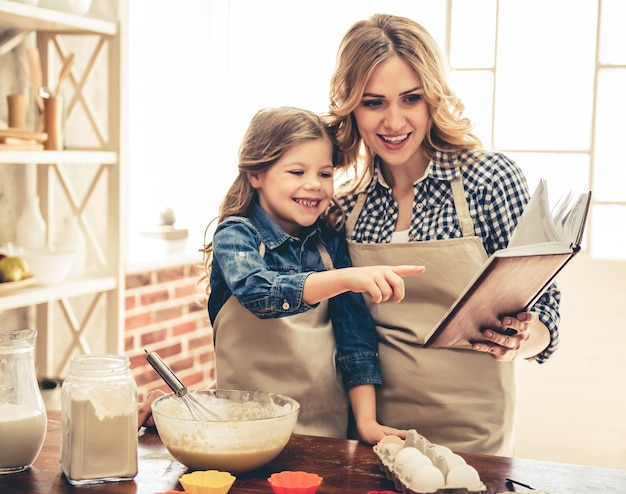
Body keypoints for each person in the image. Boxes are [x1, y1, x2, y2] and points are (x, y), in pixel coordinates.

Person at [325, 13, 561, 455]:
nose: (393, 121)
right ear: (351, 107)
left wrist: (522, 341)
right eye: (373, 102)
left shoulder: (489, 180)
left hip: (474, 434)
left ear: (433, 98)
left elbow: (546, 307)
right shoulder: (345, 205)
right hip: (375, 432)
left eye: (410, 99)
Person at [203, 106, 424, 445]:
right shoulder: (235, 235)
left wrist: (366, 421)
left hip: (326, 438)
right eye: (296, 171)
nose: (313, 185)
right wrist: (347, 278)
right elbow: (260, 294)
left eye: (324, 174)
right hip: (240, 437)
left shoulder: (330, 242)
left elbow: (355, 338)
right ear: (255, 175)